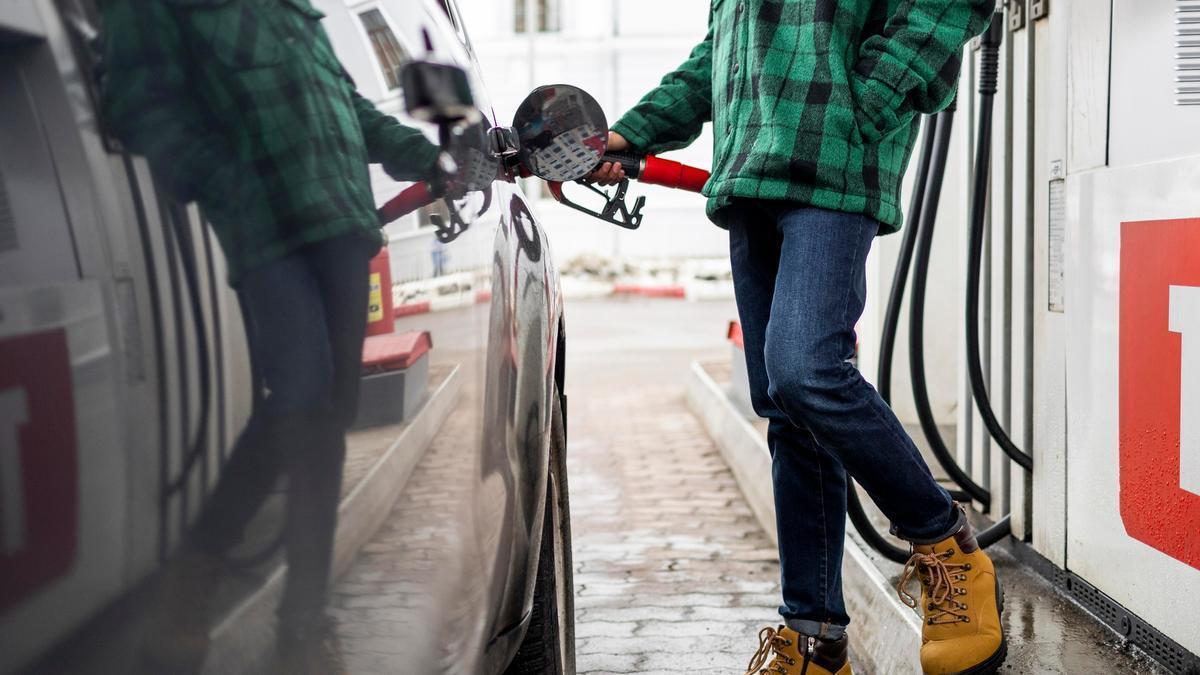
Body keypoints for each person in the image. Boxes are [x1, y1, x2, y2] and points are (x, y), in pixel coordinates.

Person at [591, 1, 1002, 673]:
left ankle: (945, 540)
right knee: (788, 411)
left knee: (806, 369)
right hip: (751, 178)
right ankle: (814, 636)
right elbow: (717, 60)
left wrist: (862, 106)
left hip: (834, 168)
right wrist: (630, 135)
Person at [100, 0, 438, 656]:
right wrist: (228, 183)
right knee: (301, 404)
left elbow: (347, 105)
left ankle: (304, 618)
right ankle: (196, 581)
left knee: (327, 414)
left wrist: (428, 157)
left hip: (342, 225)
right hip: (267, 230)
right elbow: (137, 104)